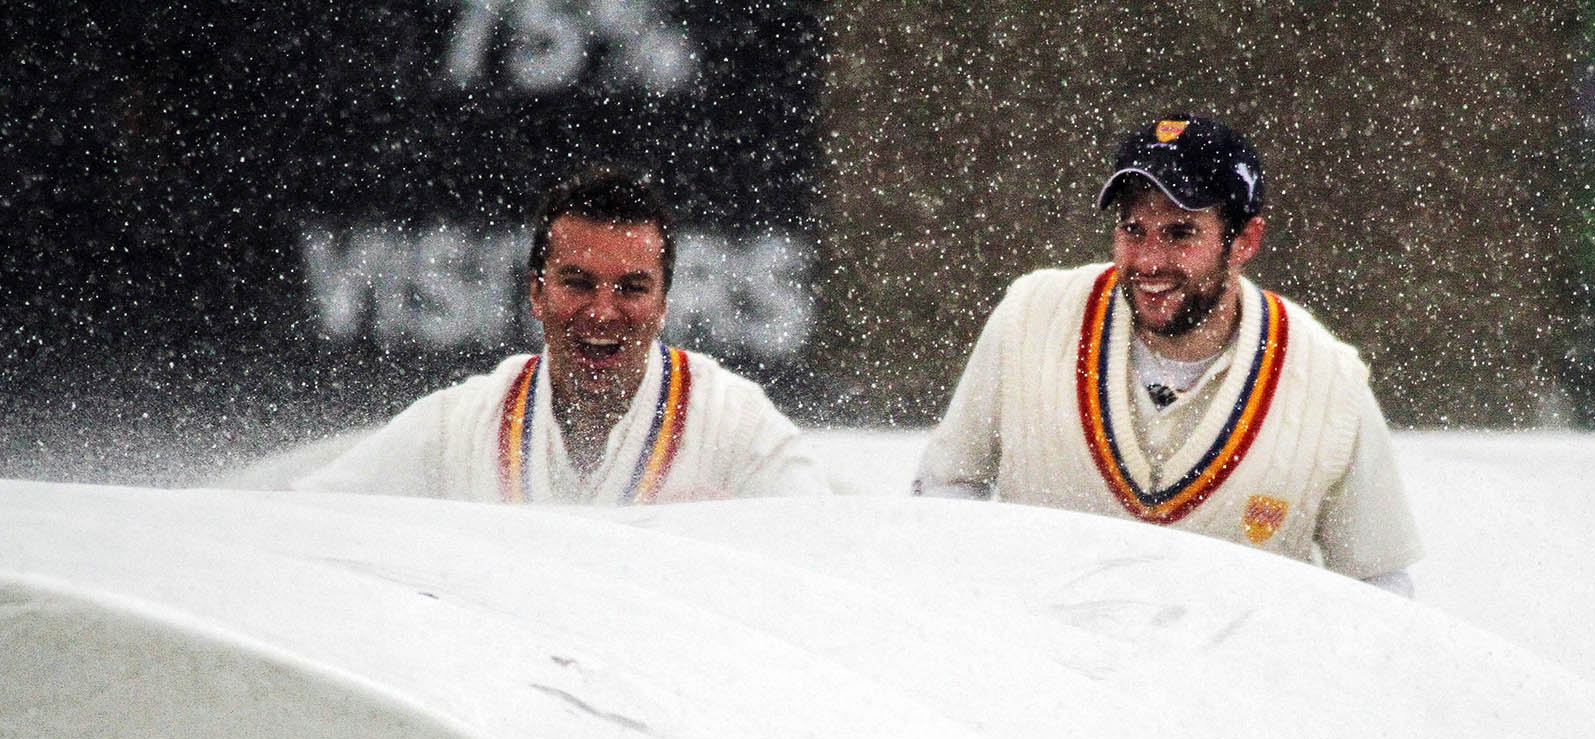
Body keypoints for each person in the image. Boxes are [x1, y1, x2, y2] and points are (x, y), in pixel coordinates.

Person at [918, 117, 1420, 593]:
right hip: (1048, 671)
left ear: (1245, 239)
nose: (1150, 260)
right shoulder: (1031, 318)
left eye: (1181, 233)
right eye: (1133, 229)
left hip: (1221, 677)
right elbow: (946, 492)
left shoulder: (1328, 379)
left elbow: (1378, 584)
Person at [296, 164, 822, 503]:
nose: (601, 312)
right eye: (578, 283)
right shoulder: (458, 427)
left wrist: (729, 541)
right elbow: (301, 525)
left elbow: (824, 561)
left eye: (632, 288)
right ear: (535, 293)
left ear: (663, 305)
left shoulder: (736, 426)